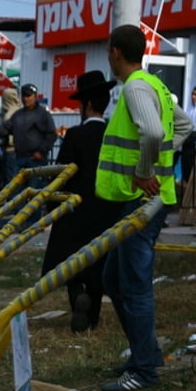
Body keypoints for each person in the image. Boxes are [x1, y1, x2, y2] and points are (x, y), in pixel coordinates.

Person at [97, 24, 193, 391]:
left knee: (133, 286)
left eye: (109, 52)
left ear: (116, 53)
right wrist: (159, 160)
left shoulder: (136, 87)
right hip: (142, 202)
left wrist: (143, 171)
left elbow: (153, 133)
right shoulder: (156, 85)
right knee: (113, 279)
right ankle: (145, 354)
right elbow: (181, 126)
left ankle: (143, 371)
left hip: (141, 202)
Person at [40, 70, 124, 333]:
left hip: (76, 209)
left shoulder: (75, 136)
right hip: (108, 209)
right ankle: (93, 316)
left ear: (86, 105)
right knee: (99, 263)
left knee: (72, 261)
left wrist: (52, 208)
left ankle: (77, 297)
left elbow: (62, 174)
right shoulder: (114, 135)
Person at [0, 83, 57, 174]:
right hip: (20, 158)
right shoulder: (18, 114)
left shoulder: (43, 114)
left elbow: (51, 134)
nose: (25, 98)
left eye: (28, 95)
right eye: (24, 95)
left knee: (35, 187)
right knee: (17, 187)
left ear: (35, 96)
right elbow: (5, 128)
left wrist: (41, 152)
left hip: (36, 161)